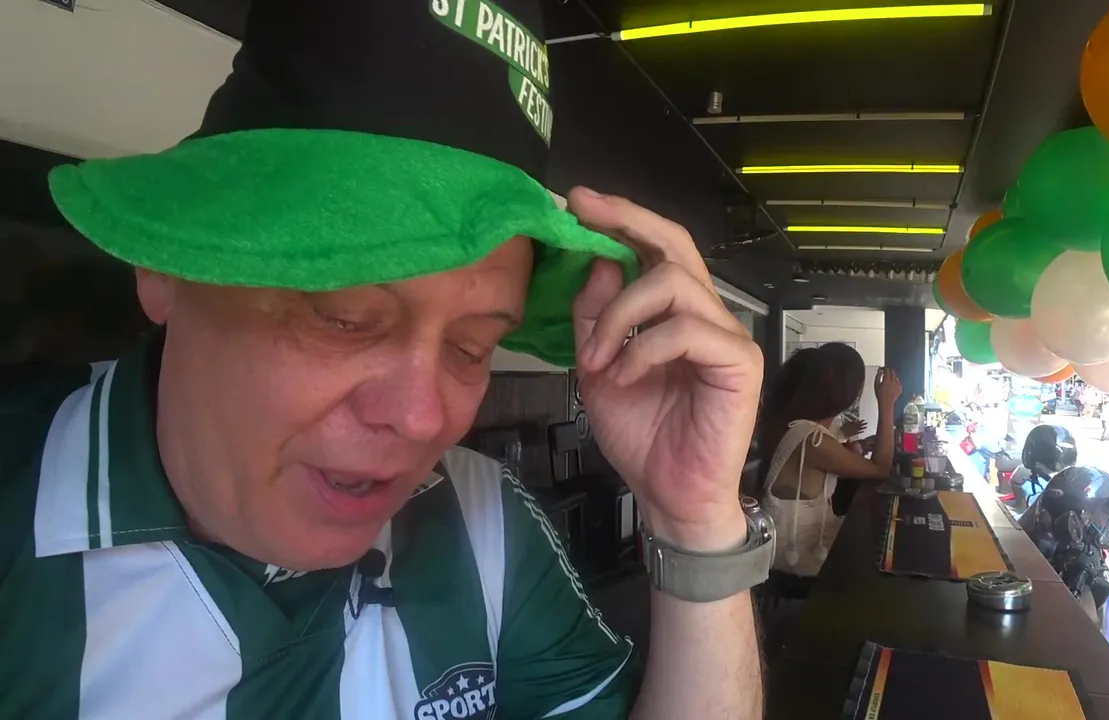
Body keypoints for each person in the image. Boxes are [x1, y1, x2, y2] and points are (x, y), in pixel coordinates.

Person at [0, 2, 767, 718]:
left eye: (472, 347)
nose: (422, 418)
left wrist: (694, 521)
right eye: (344, 318)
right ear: (169, 262)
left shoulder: (482, 522)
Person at [751, 344, 901, 577]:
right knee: (884, 556)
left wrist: (857, 446)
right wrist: (887, 404)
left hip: (801, 545)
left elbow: (838, 458)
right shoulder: (813, 439)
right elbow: (880, 469)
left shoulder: (805, 430)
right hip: (797, 558)